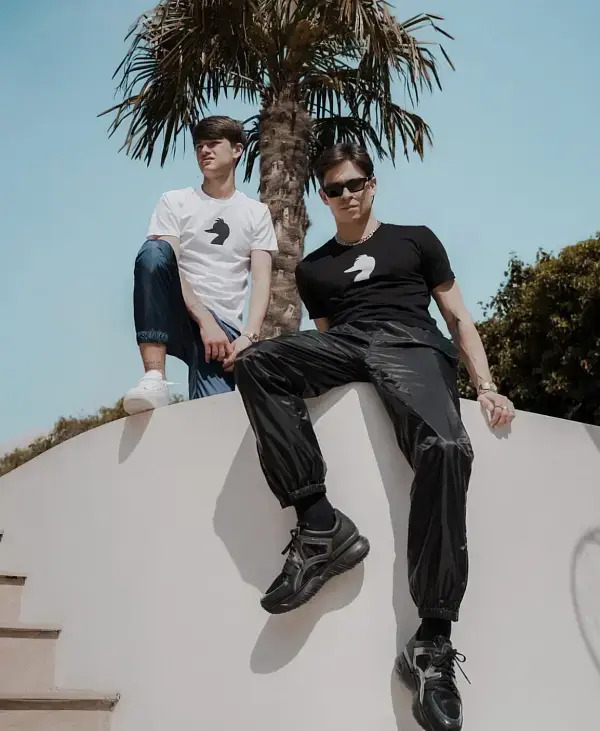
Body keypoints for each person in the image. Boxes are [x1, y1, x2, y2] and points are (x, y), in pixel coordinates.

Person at [234, 142, 516, 731]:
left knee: (446, 448)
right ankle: (320, 526)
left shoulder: (416, 240)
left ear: (373, 184)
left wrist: (486, 385)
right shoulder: (314, 269)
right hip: (349, 343)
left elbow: (457, 316)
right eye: (334, 189)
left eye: (355, 184)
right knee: (259, 363)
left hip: (412, 344)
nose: (347, 196)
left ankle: (432, 641)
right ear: (323, 196)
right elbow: (327, 338)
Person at [123, 115, 278, 415]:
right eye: (199, 146)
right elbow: (164, 263)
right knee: (153, 251)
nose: (204, 151)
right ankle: (155, 377)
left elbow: (262, 281)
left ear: (237, 150)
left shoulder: (256, 213)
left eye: (213, 144)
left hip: (224, 328)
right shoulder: (175, 201)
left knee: (212, 415)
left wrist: (248, 336)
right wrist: (204, 319)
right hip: (179, 310)